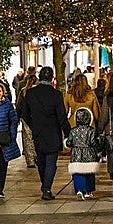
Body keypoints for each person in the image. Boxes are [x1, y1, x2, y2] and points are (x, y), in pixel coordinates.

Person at [22, 66, 70, 201]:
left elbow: (24, 114)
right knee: (51, 162)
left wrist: (33, 125)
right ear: (52, 78)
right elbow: (62, 116)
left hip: (38, 131)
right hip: (53, 132)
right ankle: (47, 188)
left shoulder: (31, 93)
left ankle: (45, 185)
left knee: (41, 161)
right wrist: (67, 132)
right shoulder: (56, 94)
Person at [66, 107, 100, 200]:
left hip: (76, 154)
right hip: (89, 154)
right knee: (89, 173)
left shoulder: (73, 131)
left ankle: (79, 190)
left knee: (77, 173)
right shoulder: (92, 131)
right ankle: (88, 191)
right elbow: (93, 143)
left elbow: (69, 142)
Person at [16, 74, 38, 168]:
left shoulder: (23, 91)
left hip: (25, 117)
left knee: (27, 139)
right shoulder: (38, 91)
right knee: (37, 137)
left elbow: (19, 105)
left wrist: (17, 118)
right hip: (37, 117)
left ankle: (30, 160)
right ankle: (37, 156)